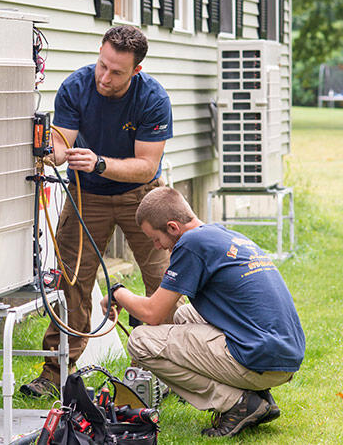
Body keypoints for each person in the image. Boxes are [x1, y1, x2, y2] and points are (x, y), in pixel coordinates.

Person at [20, 25, 174, 397]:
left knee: (166, 278)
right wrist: (53, 151)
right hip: (85, 193)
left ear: (135, 71)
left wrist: (100, 163)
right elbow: (60, 142)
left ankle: (158, 370)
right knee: (70, 280)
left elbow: (147, 166)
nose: (105, 77)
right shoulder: (76, 86)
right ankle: (55, 372)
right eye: (101, 65)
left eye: (116, 71)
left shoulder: (153, 98)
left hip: (141, 195)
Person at [99, 187, 305, 437]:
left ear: (173, 228)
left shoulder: (190, 244)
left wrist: (117, 292)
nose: (157, 246)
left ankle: (238, 402)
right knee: (183, 316)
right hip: (282, 356)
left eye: (156, 238)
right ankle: (256, 395)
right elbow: (166, 307)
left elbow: (152, 313)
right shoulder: (218, 234)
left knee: (141, 341)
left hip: (261, 359)